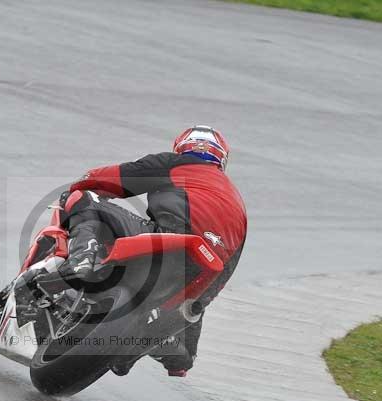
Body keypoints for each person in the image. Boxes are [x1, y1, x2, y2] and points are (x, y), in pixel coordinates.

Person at [45, 125, 247, 377]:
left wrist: (84, 182)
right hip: (201, 273)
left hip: (168, 240)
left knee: (81, 198)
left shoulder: (174, 163)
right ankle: (166, 348)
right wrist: (186, 331)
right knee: (191, 315)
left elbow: (111, 178)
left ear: (182, 148)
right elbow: (224, 273)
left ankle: (81, 261)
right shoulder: (238, 203)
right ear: (221, 159)